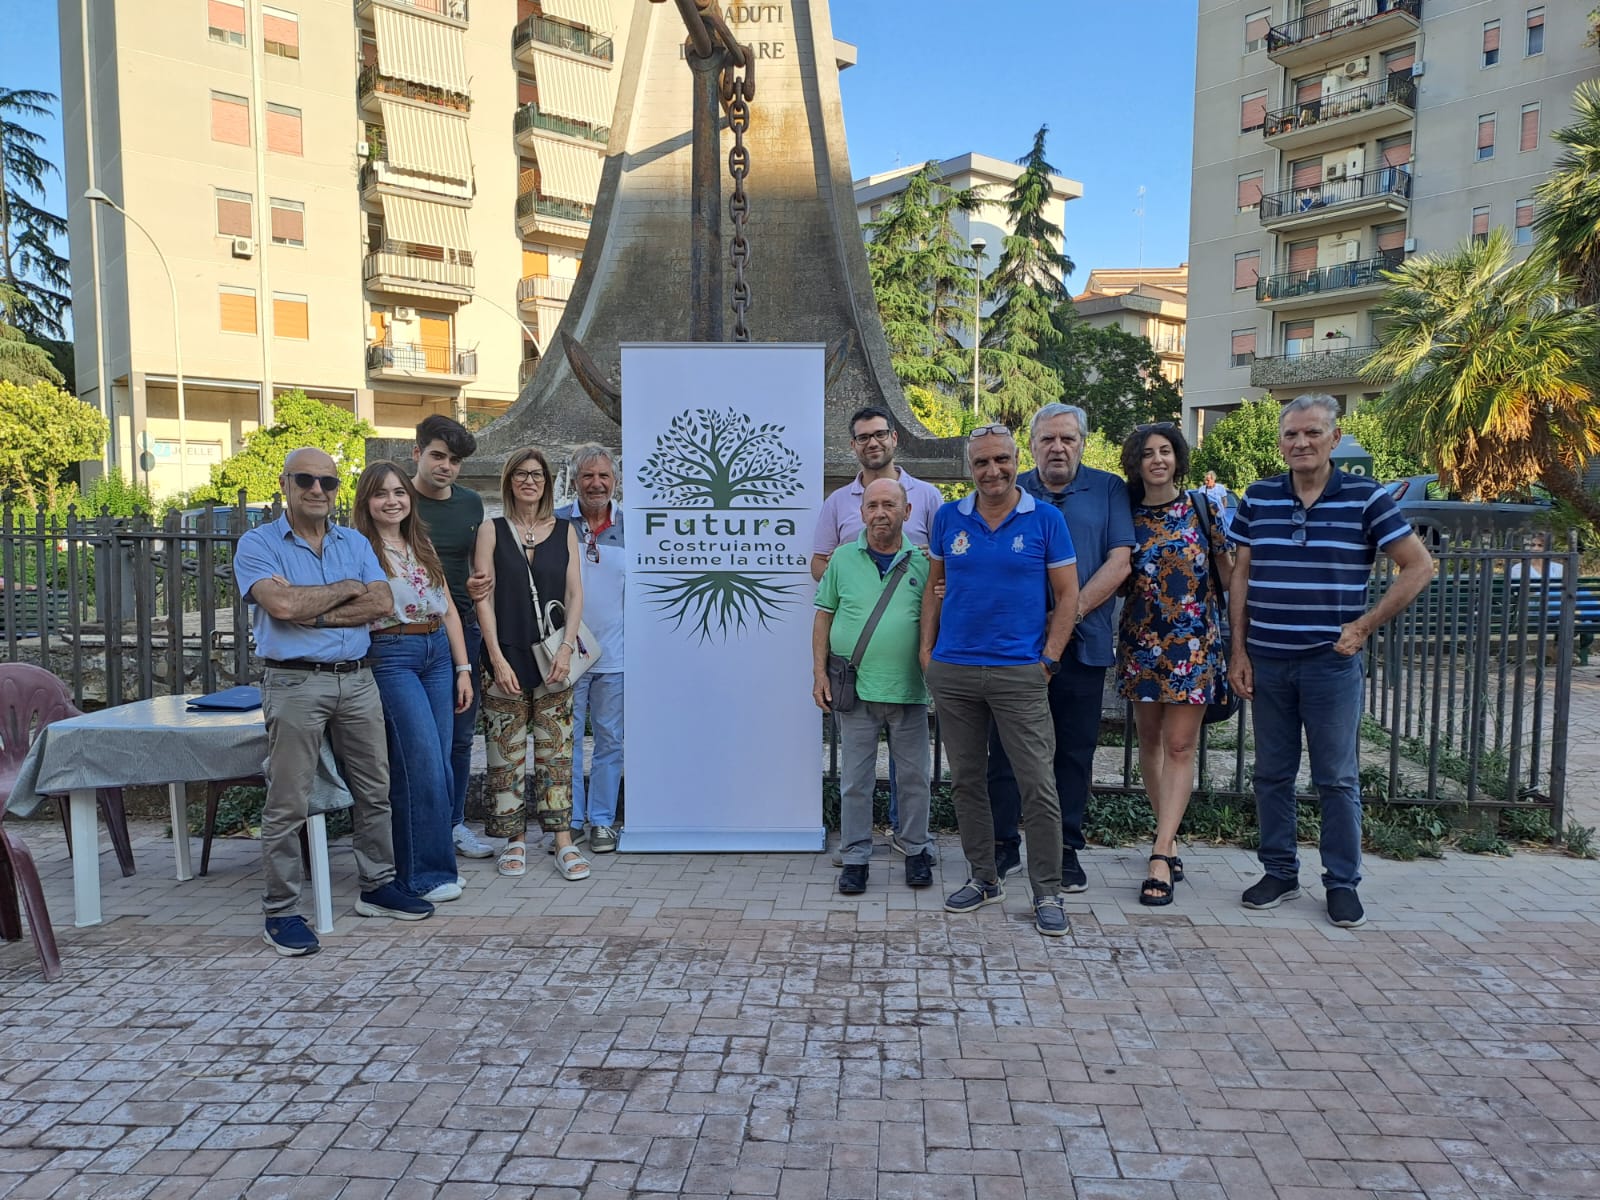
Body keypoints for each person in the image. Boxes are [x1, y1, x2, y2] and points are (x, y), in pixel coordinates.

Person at [1229, 394, 1432, 928]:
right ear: (1281, 441)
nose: (1300, 443)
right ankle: (1279, 872)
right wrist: (1238, 651)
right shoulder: (1258, 497)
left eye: (1312, 433)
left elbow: (1418, 566)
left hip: (1330, 664)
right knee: (1271, 774)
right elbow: (1241, 577)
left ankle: (1342, 883)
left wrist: (1365, 625)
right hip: (1268, 660)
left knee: (1336, 779)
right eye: (1291, 434)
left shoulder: (1367, 499)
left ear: (1334, 439)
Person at [233, 447, 434, 957]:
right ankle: (281, 911)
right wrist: (346, 589)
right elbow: (278, 605)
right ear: (285, 483)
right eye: (306, 480)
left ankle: (378, 886)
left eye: (327, 482)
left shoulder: (355, 542)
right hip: (296, 684)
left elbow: (383, 602)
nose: (317, 490)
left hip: (358, 678)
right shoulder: (257, 544)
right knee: (288, 801)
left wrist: (313, 610)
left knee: (375, 789)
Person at [920, 424, 1079, 937]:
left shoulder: (1045, 519)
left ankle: (1047, 891)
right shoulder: (949, 517)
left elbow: (1068, 596)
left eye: (1001, 461)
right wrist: (928, 652)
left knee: (1038, 785)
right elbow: (934, 587)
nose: (992, 471)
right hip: (956, 669)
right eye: (982, 463)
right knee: (968, 782)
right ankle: (984, 878)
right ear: (971, 468)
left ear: (1017, 461)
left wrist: (1049, 659)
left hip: (1019, 672)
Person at [986, 403, 1133, 891]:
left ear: (1083, 443)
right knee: (1008, 750)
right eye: (1048, 439)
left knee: (1073, 751)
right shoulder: (1010, 486)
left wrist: (1069, 614)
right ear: (1031, 446)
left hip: (1084, 645)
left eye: (1067, 439)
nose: (1057, 448)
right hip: (1018, 647)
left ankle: (1065, 848)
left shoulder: (1109, 489)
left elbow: (1119, 564)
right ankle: (1003, 842)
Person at [812, 406, 946, 858]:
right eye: (872, 506)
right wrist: (853, 577)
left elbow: (946, 572)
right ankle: (855, 853)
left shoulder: (929, 498)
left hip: (909, 681)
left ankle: (914, 846)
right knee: (855, 777)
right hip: (856, 681)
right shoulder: (839, 518)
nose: (880, 513)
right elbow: (822, 584)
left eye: (879, 434)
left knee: (913, 776)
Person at [1115, 424, 1232, 906]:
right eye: (1147, 453)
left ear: (1177, 458)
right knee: (1149, 742)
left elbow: (1229, 579)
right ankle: (1171, 837)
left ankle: (1161, 852)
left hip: (1194, 645)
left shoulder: (1204, 509)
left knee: (1180, 745)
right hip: (1142, 641)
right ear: (1136, 463)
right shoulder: (1124, 515)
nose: (1157, 460)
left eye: (1165, 451)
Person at [352, 461, 476, 905]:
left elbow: (448, 610)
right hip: (391, 655)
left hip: (437, 653)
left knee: (439, 764)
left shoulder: (418, 542)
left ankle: (438, 868)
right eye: (381, 493)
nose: (392, 501)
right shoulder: (358, 548)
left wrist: (463, 669)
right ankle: (418, 875)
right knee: (417, 762)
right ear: (366, 501)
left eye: (400, 492)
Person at [473, 447, 591, 882]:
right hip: (505, 652)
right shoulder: (491, 529)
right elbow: (482, 596)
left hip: (553, 656)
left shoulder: (565, 531)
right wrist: (496, 657)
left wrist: (566, 649)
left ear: (547, 482)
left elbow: (576, 593)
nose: (529, 481)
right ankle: (514, 840)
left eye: (537, 474)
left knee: (556, 751)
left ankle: (562, 840)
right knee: (505, 754)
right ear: (509, 481)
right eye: (520, 474)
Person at [410, 415, 497, 860]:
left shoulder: (469, 505)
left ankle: (454, 823)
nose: (446, 467)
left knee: (462, 735)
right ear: (417, 454)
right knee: (419, 738)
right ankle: (418, 828)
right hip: (409, 633)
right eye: (438, 456)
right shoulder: (395, 498)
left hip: (463, 627)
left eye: (455, 461)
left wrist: (482, 585)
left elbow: (476, 565)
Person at [555, 444, 626, 854]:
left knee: (610, 739)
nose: (596, 483)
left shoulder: (632, 525)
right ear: (575, 480)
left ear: (614, 481)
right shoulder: (557, 521)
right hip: (566, 652)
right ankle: (570, 820)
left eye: (603, 476)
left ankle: (601, 821)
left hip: (616, 654)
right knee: (565, 740)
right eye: (587, 476)